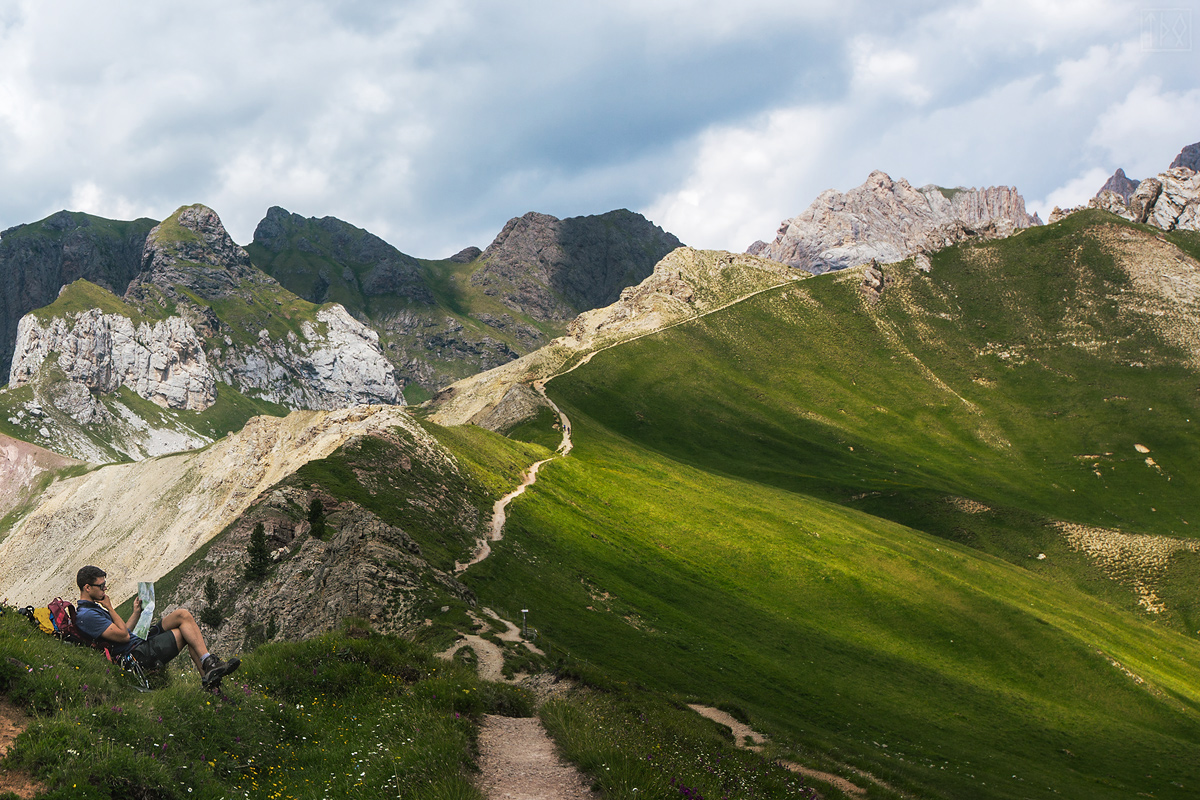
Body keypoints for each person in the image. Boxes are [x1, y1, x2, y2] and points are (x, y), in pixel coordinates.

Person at [74, 565, 240, 690]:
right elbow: (124, 636)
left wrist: (137, 613)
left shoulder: (93, 608)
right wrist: (110, 608)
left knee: (182, 615)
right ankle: (212, 685)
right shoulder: (87, 615)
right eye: (101, 586)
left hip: (136, 642)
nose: (105, 589)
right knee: (185, 633)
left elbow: (121, 631)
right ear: (87, 588)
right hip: (136, 654)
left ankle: (208, 663)